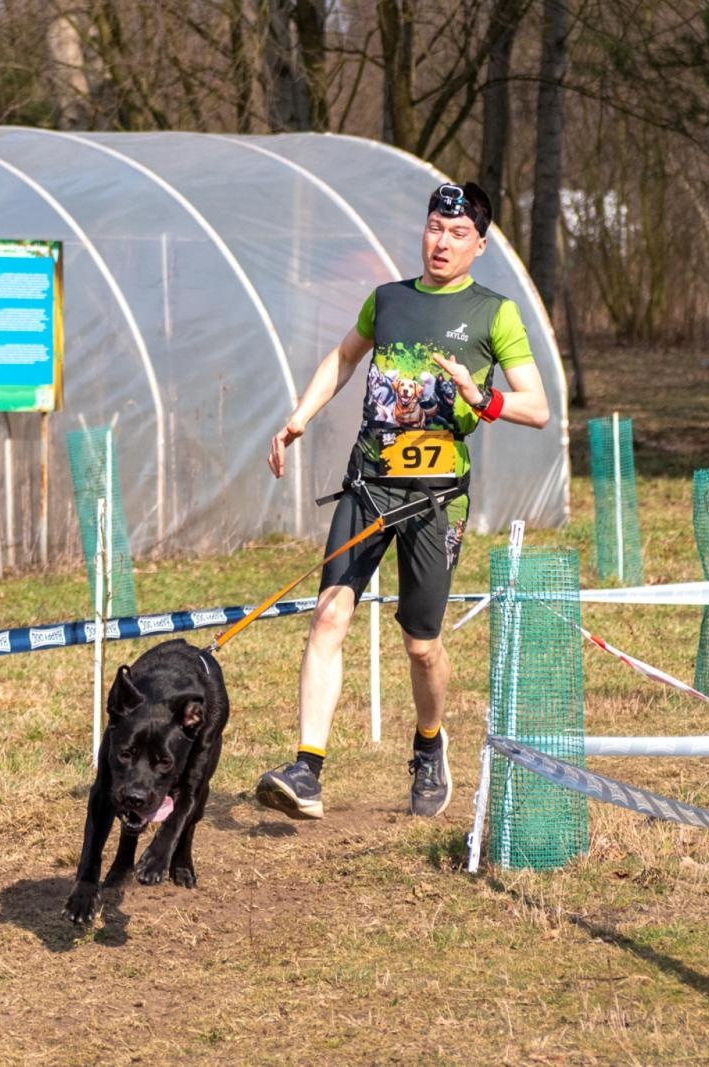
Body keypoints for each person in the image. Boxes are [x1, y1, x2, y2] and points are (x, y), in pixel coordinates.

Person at [255, 181, 550, 820]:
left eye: (457, 234)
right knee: (330, 614)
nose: (441, 243)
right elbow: (342, 358)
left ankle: (427, 743)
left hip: (437, 500)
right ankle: (307, 770)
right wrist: (299, 416)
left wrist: (482, 398)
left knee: (421, 644)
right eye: (433, 229)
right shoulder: (387, 301)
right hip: (368, 485)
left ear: (479, 244)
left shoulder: (494, 312)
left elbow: (539, 408)